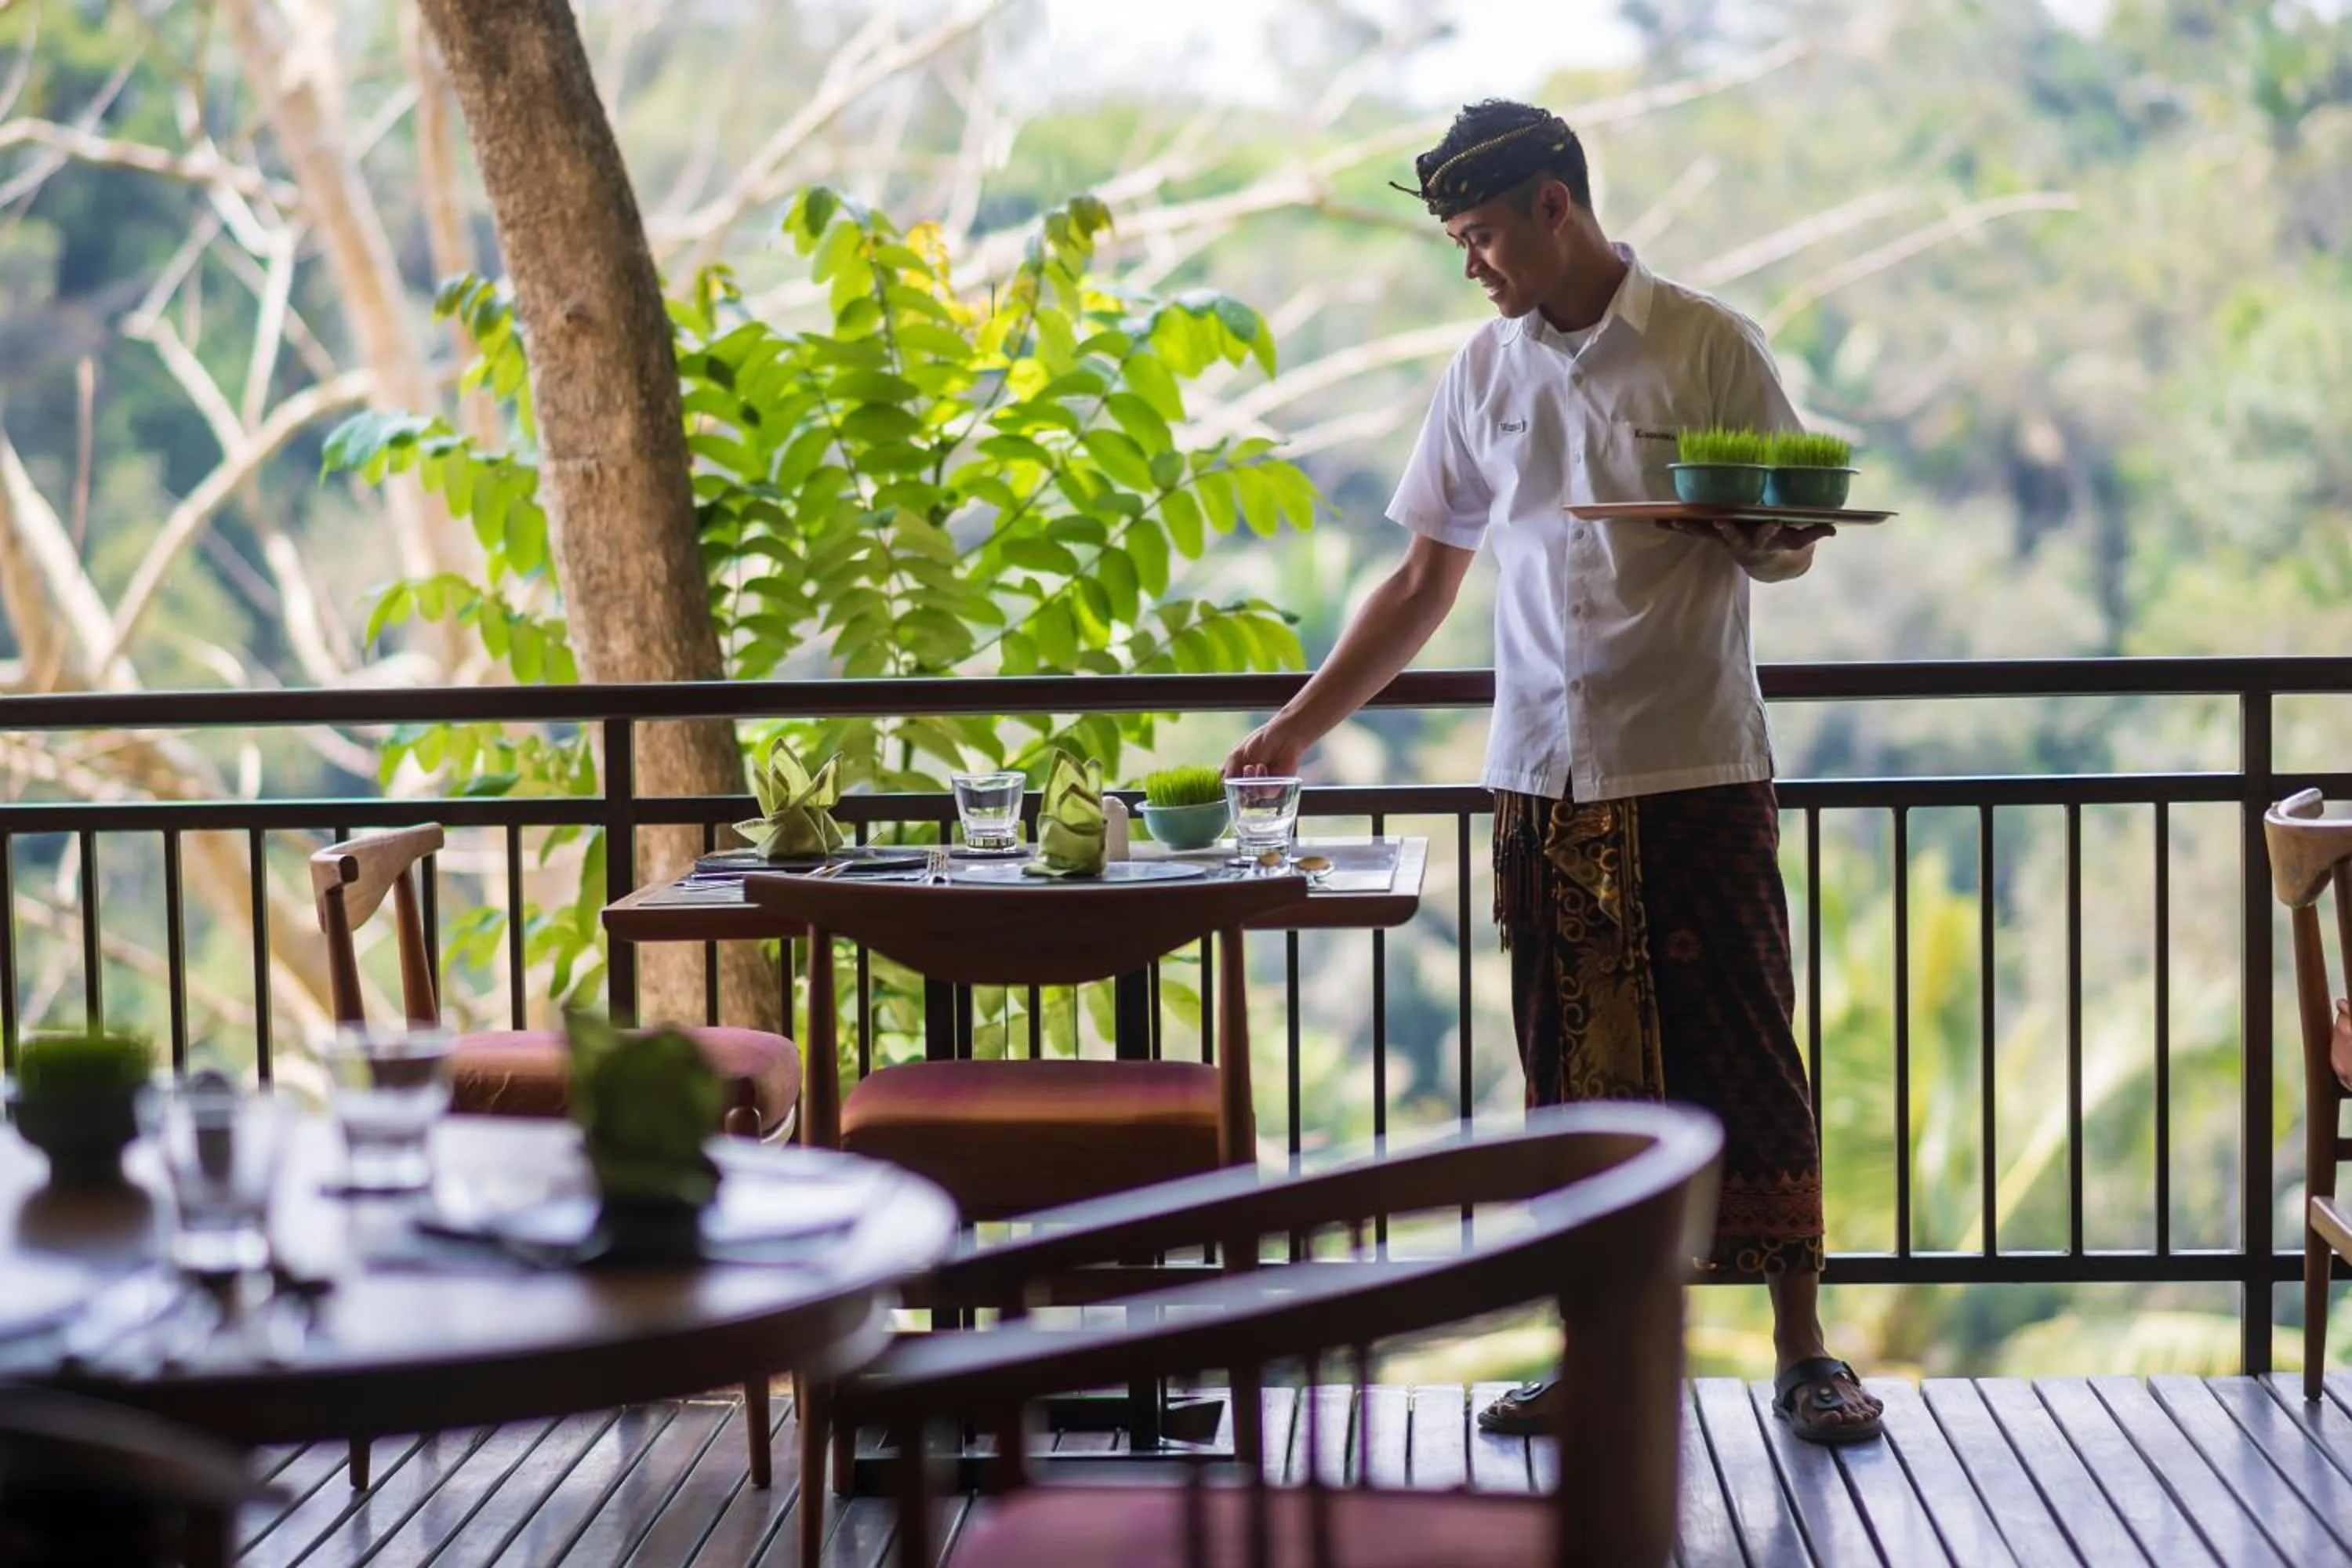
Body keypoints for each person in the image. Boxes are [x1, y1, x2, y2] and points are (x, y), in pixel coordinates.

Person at [1223, 99, 1882, 1446]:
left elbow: (1791, 543)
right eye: (1460, 241)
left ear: (1556, 207)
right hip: (1540, 778)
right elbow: (1420, 583)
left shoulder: (1706, 343)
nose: (1473, 264)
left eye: (1481, 236)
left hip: (1692, 757)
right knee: (1570, 1072)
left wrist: (1752, 531)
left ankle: (1805, 1352)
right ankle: (1600, 1356)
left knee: (1745, 1048)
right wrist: (1299, 726)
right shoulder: (1483, 373)